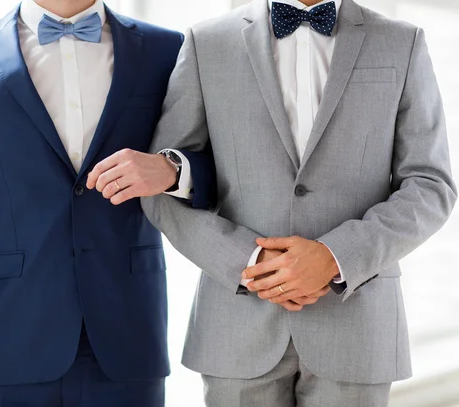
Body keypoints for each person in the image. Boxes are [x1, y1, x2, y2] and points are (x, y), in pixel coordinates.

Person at [88, 0, 457, 405]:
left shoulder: (401, 42)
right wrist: (249, 262)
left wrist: (336, 257)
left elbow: (430, 184)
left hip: (357, 329)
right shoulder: (207, 42)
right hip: (237, 328)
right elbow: (163, 185)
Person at [0, 0, 215, 405]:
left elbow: (226, 165)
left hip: (127, 338)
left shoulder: (165, 50)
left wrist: (173, 170)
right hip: (7, 342)